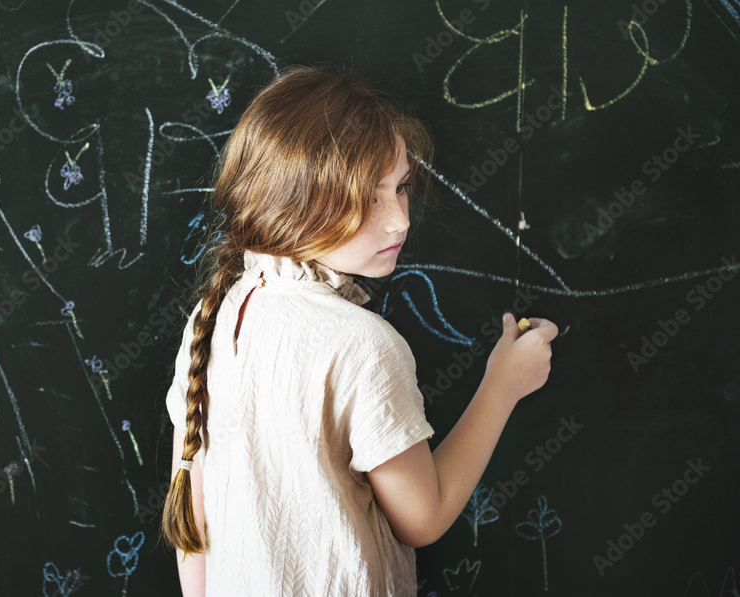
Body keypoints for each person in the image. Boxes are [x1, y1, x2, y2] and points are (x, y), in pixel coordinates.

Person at [160, 65, 558, 597]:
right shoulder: (361, 345)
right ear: (293, 202)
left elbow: (195, 526)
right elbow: (422, 518)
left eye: (401, 188)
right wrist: (503, 384)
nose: (399, 220)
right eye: (368, 197)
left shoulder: (215, 314)